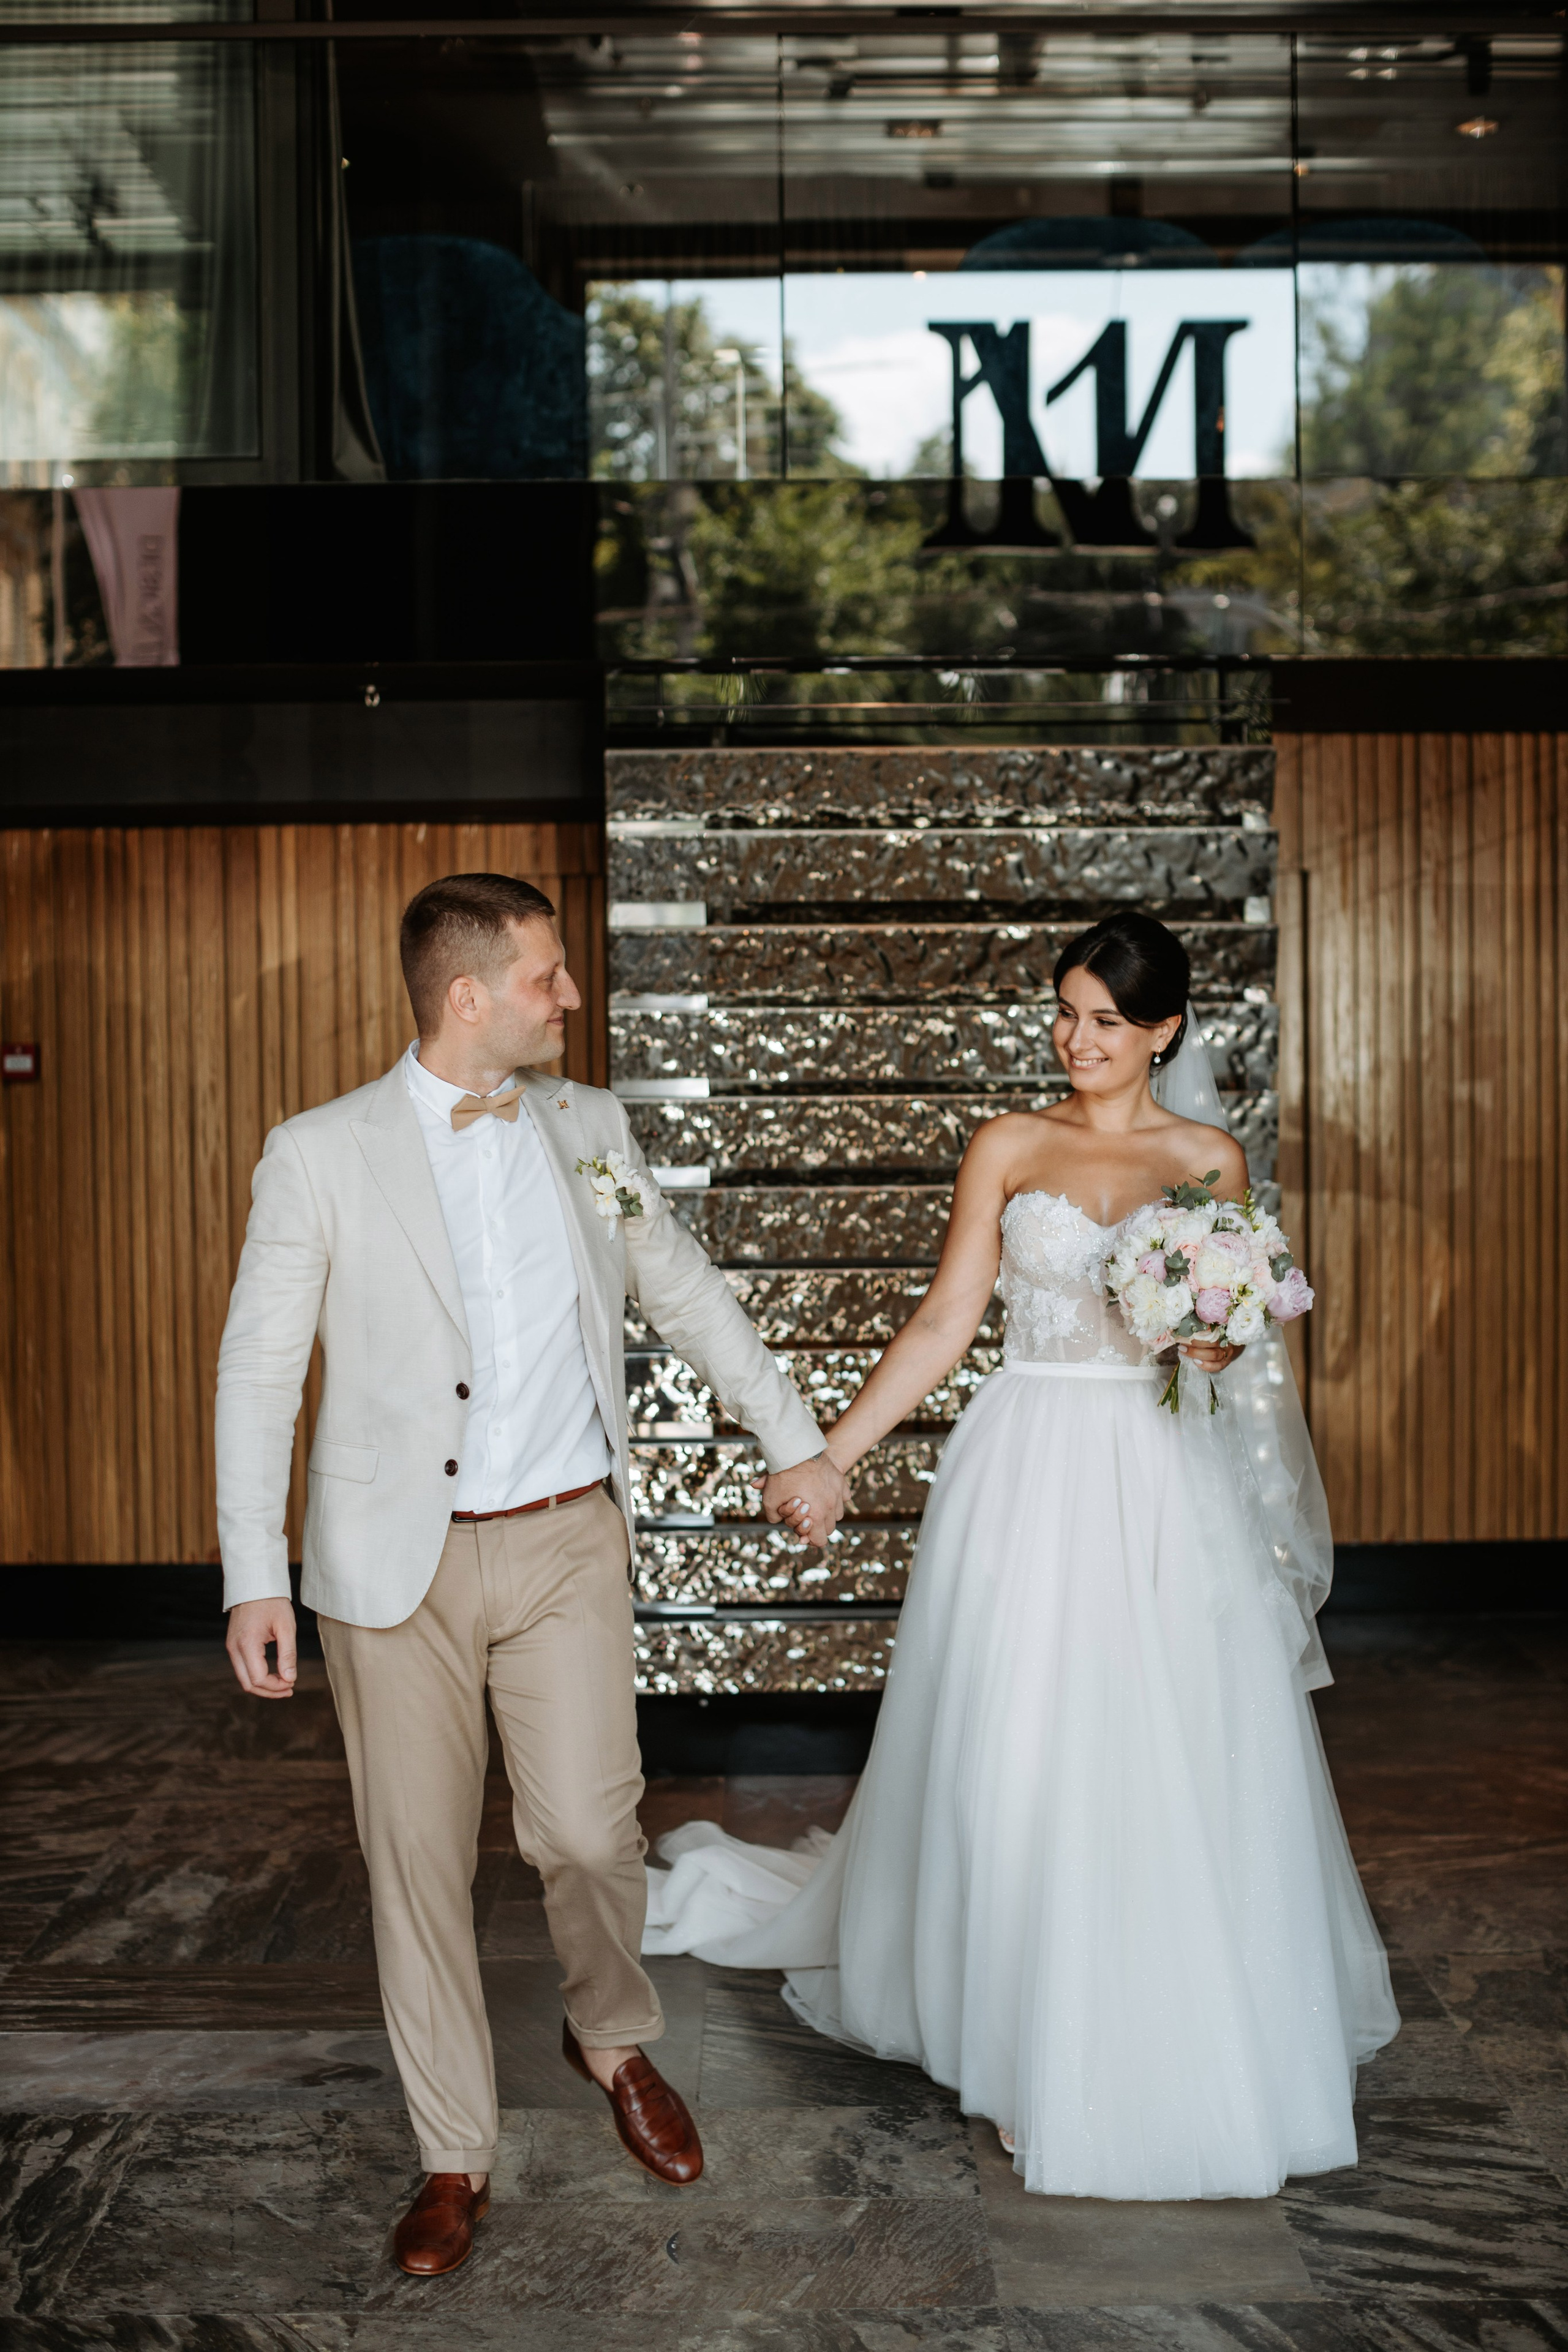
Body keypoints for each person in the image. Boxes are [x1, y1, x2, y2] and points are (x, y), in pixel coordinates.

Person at [644, 908, 1400, 2201]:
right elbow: (945, 1322)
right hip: (1026, 1460)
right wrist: (833, 1454)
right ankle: (1013, 2037)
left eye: (1105, 1020)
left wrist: (1209, 1336)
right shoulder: (1006, 1143)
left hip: (1160, 1478)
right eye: (1063, 1011)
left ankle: (1171, 2016)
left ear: (1161, 1031)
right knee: (1026, 1745)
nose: (1075, 1038)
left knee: (1166, 1744)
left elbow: (1226, 1348)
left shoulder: (1206, 1157)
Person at [215, 872, 846, 2275]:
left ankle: (609, 2037)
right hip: (395, 1571)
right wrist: (254, 1572)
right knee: (418, 1871)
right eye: (548, 977)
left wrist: (795, 1438)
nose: (569, 996)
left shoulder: (589, 1125)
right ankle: (454, 2156)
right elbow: (259, 1368)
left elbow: (676, 1285)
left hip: (566, 1539)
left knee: (585, 1837)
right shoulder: (319, 1153)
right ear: (468, 996)